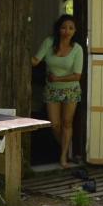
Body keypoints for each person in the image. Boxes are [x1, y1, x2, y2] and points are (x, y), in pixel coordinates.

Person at [31, 14, 84, 168]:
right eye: (63, 28)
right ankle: (67, 150)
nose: (67, 31)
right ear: (58, 29)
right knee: (55, 124)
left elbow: (77, 75)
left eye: (71, 28)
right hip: (52, 90)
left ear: (75, 31)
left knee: (67, 123)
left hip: (71, 90)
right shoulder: (49, 42)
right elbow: (35, 60)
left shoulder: (77, 49)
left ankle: (63, 157)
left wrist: (58, 79)